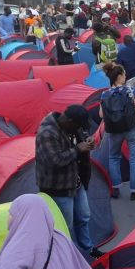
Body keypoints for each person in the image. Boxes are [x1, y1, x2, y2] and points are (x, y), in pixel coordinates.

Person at [35, 104, 103, 258]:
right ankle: (67, 256)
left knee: (84, 216)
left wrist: (88, 140)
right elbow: (55, 160)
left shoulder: (72, 127)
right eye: (79, 125)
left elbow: (82, 137)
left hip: (76, 182)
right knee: (65, 224)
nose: (80, 128)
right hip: (58, 187)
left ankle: (88, 249)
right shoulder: (47, 133)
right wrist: (78, 149)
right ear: (70, 121)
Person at [0, 194, 96, 269]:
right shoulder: (60, 237)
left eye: (12, 213)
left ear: (21, 216)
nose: (9, 217)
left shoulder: (14, 256)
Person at [100, 63, 135, 201]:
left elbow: (101, 115)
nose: (126, 76)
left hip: (114, 131)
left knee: (113, 157)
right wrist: (134, 105)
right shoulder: (130, 90)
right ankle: (134, 191)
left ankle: (116, 189)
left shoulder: (105, 94)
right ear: (119, 76)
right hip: (132, 128)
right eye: (124, 74)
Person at [117, 35, 135, 100]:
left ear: (124, 43)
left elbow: (119, 66)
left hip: (128, 77)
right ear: (132, 40)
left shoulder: (121, 52)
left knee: (130, 98)